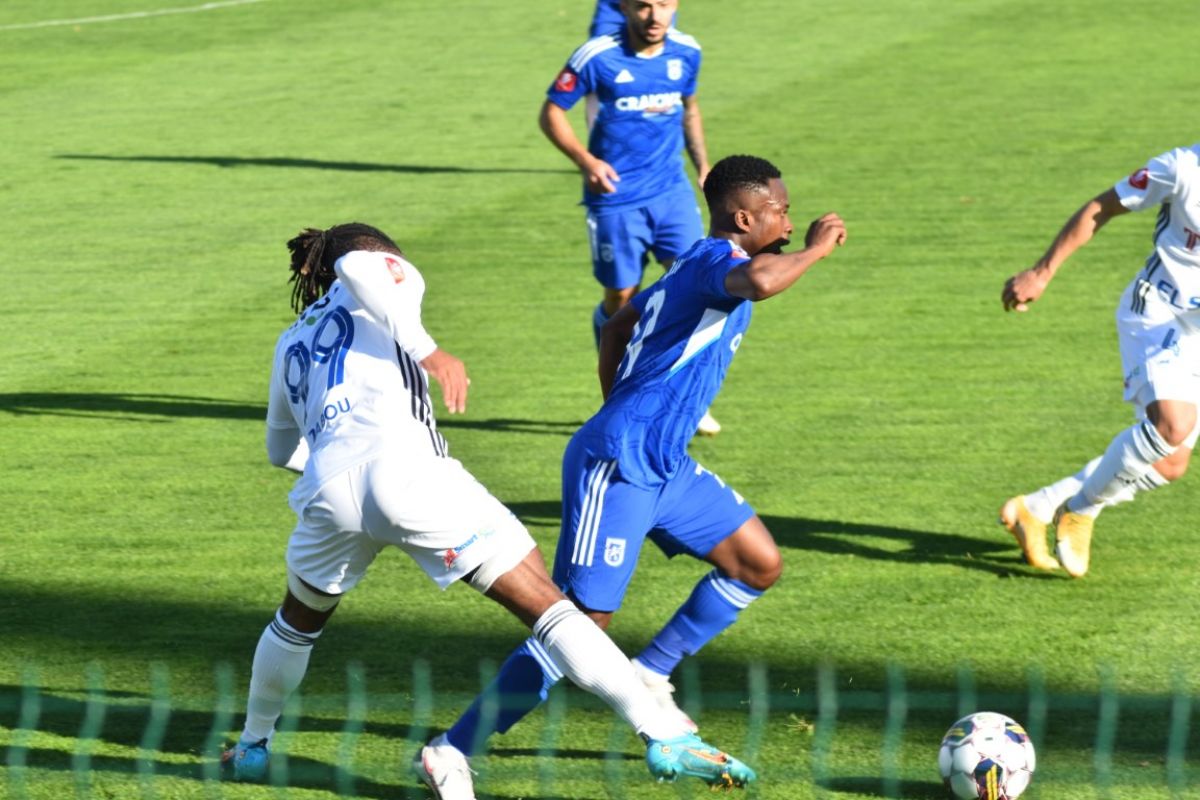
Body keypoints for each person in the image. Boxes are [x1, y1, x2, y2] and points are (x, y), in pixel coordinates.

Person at [220, 223, 756, 796]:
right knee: (548, 606)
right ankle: (661, 732)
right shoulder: (383, 271)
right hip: (408, 471)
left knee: (296, 625)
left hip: (328, 491)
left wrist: (345, 469)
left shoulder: (290, 341)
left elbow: (281, 450)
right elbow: (357, 264)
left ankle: (252, 745)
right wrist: (431, 353)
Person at [437, 156, 847, 763]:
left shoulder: (694, 263)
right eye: (780, 211)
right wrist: (815, 250)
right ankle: (453, 749)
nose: (788, 223)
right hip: (619, 465)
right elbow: (761, 282)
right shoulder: (715, 263)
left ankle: (651, 671)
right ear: (744, 218)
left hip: (664, 464)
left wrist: (623, 407)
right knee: (578, 624)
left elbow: (616, 327)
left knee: (756, 564)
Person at [1000, 144, 1200, 577]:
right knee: (1173, 425)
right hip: (1158, 312)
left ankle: (1035, 508)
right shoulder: (1182, 168)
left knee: (1169, 463)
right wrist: (1041, 272)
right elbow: (1102, 207)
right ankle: (1081, 510)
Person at [542, 0, 720, 435]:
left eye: (664, 4)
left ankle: (684, 396)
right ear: (624, 7)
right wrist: (586, 161)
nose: (654, 15)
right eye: (643, 5)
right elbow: (551, 112)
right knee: (622, 300)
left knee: (697, 287)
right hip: (616, 199)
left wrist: (703, 165)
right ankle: (620, 385)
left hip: (672, 193)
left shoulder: (687, 51)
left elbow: (690, 107)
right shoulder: (597, 56)